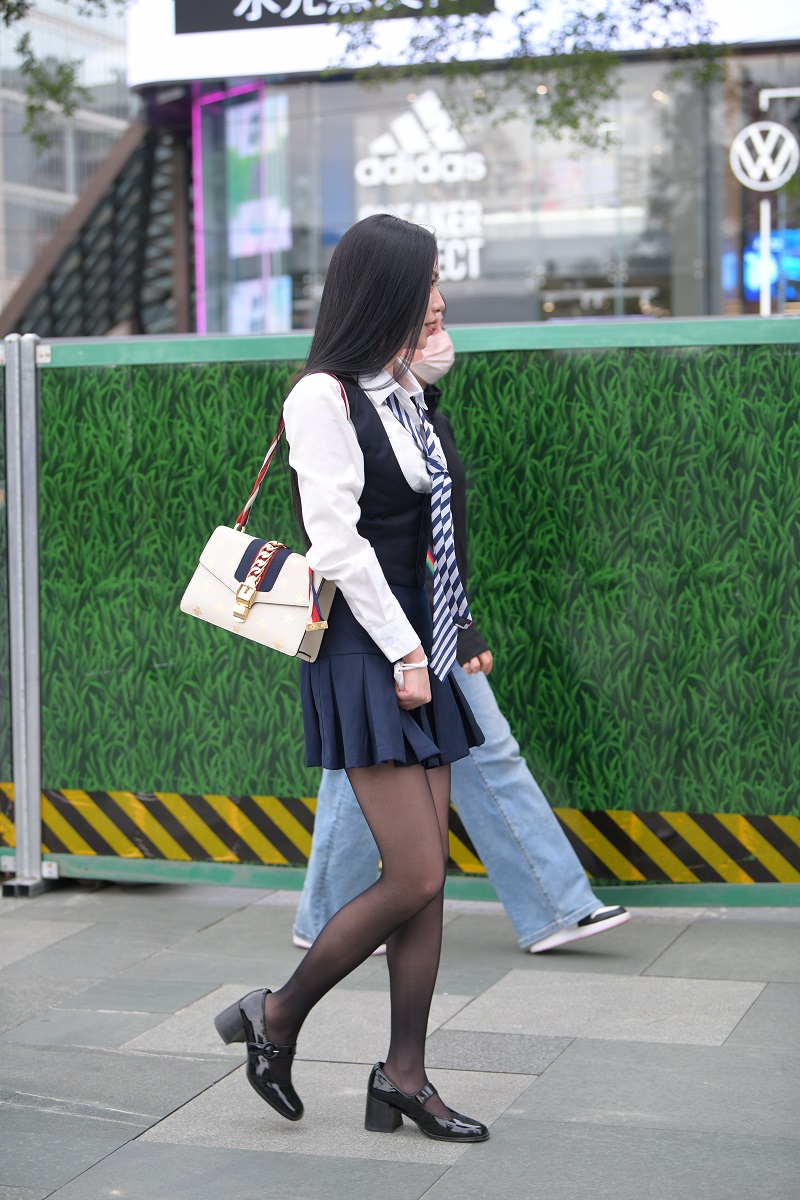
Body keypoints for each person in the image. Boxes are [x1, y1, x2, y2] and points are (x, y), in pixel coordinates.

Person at [213, 214, 489, 1144]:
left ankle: (403, 1078)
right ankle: (276, 1014)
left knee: (429, 879)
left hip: (421, 641)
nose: (439, 298)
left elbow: (437, 522)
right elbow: (336, 544)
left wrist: (451, 633)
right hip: (368, 645)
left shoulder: (404, 392)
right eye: (426, 281)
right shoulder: (320, 398)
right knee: (414, 871)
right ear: (384, 291)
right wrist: (407, 651)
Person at [293, 324, 630, 956]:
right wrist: (422, 641)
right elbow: (347, 537)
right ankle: (326, 927)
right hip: (379, 624)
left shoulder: (418, 412)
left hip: (428, 620)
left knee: (462, 754)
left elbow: (442, 538)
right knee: (388, 765)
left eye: (441, 319)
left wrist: (456, 620)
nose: (440, 338)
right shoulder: (332, 400)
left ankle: (554, 904)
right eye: (427, 324)